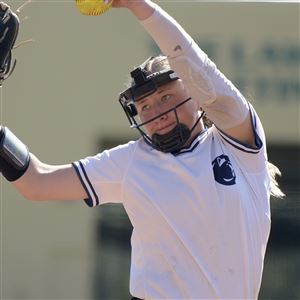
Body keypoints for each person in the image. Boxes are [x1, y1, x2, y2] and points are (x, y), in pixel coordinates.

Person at [0, 0, 285, 299]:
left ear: (195, 95)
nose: (155, 111)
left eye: (165, 97)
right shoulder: (132, 161)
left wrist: (137, 4)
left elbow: (197, 67)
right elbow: (38, 182)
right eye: (144, 106)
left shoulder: (239, 146)